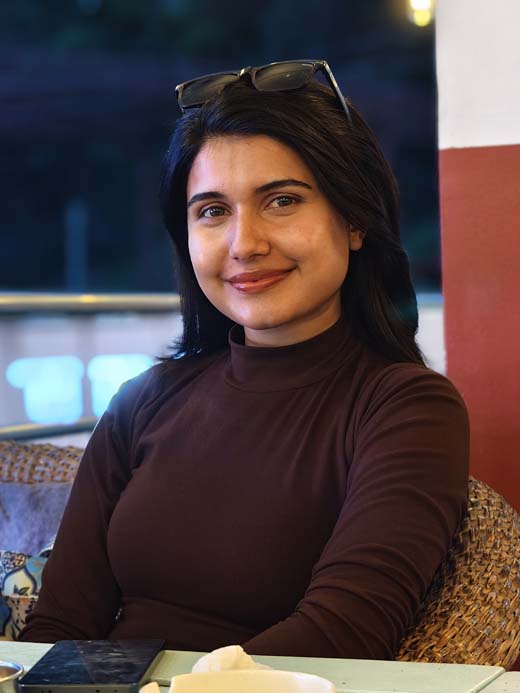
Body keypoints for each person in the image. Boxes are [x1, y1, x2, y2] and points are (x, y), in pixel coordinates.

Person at [20, 60, 469, 659]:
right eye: (212, 211)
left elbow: (343, 634)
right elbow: (59, 626)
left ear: (355, 220)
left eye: (281, 200)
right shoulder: (144, 399)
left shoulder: (407, 408)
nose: (245, 244)